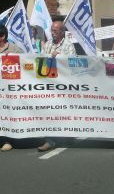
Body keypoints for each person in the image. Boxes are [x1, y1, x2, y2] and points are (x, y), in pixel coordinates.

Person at [38, 21, 76, 152]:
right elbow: (40, 60)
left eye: (55, 30)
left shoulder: (68, 45)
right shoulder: (47, 44)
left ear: (62, 32)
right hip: (49, 84)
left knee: (63, 111)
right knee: (49, 111)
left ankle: (68, 134)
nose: (52, 33)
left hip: (63, 85)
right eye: (51, 30)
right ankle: (49, 140)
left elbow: (73, 62)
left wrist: (59, 56)